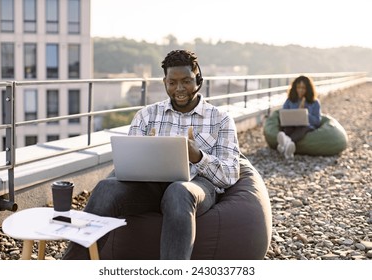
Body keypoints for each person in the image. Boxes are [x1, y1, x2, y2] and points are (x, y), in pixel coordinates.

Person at [63, 50, 241, 260]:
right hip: (148, 188)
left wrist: (198, 157)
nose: (180, 89)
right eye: (172, 83)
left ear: (198, 80)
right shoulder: (147, 115)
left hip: (196, 188)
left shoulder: (220, 119)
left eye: (186, 81)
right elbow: (128, 165)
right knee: (105, 187)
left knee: (178, 191)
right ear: (164, 82)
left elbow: (230, 174)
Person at [277, 75, 321, 159]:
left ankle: (285, 143)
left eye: (303, 88)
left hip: (306, 127)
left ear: (308, 89)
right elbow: (283, 114)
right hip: (291, 126)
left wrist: (305, 113)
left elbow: (317, 121)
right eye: (298, 87)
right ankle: (288, 147)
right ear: (295, 88)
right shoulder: (290, 100)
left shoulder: (315, 102)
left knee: (303, 128)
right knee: (287, 128)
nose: (300, 90)